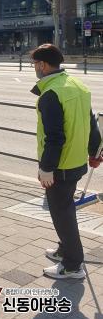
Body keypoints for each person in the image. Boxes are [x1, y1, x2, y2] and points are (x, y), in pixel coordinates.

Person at [30, 44, 102, 280]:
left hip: (59, 166)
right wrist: (95, 152)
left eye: (35, 64)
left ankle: (72, 265)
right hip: (76, 162)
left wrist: (46, 168)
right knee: (65, 211)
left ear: (43, 65)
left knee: (62, 215)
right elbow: (92, 123)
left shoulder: (51, 94)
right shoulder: (77, 85)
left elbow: (54, 137)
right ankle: (64, 250)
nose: (34, 68)